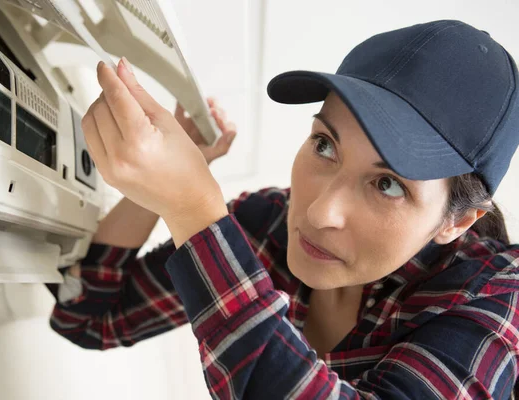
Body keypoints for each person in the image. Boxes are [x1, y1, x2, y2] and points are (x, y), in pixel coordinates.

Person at [46, 20, 519, 399]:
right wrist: (157, 187)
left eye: (388, 184)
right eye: (325, 144)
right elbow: (86, 316)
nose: (319, 213)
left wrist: (192, 208)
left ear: (457, 221)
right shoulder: (269, 224)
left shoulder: (496, 295)